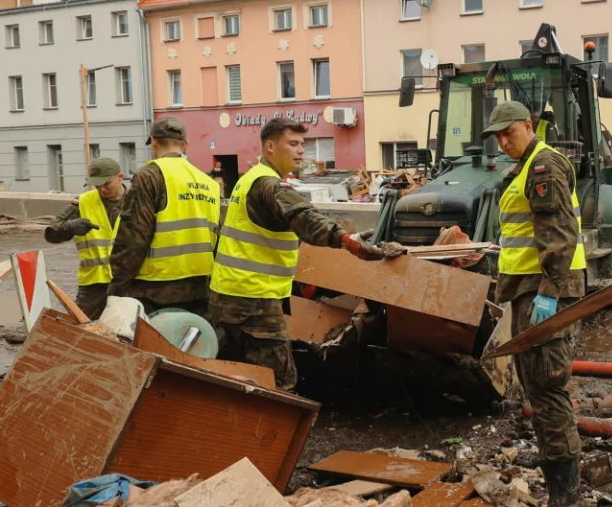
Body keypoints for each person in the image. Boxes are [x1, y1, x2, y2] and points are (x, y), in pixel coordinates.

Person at [208, 118, 404, 390]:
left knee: (239, 377)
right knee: (279, 383)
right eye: (293, 143)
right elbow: (305, 217)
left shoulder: (247, 180)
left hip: (229, 294)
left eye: (303, 144)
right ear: (270, 146)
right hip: (254, 301)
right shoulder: (270, 185)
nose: (301, 151)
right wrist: (346, 240)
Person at [483, 100, 585, 507]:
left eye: (510, 132)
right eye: (498, 137)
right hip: (530, 292)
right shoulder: (525, 167)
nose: (504, 142)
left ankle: (567, 502)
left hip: (546, 294)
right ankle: (557, 471)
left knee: (548, 389)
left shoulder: (543, 166)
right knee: (538, 388)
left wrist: (549, 292)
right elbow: (520, 232)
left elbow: (559, 234)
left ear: (529, 125)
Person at [108, 117, 221, 316]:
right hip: (200, 289)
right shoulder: (210, 184)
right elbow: (217, 238)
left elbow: (134, 236)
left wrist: (117, 286)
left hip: (154, 291)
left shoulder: (150, 176)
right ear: (186, 146)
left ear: (153, 142)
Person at [43, 157, 126, 319]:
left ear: (120, 177)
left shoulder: (138, 200)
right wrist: (69, 227)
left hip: (129, 279)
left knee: (130, 328)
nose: (102, 189)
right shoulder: (84, 202)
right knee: (81, 326)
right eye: (97, 185)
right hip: (94, 284)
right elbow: (51, 233)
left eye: (106, 184)